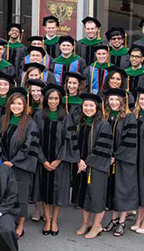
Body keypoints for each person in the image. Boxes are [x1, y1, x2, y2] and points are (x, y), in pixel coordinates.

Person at [33, 85, 76, 236]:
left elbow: (68, 139)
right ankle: (47, 220)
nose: (53, 101)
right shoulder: (39, 115)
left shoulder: (66, 116)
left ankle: (55, 220)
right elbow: (34, 138)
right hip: (43, 160)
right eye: (50, 98)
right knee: (45, 190)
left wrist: (58, 160)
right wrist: (43, 160)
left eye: (56, 98)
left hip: (59, 162)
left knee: (57, 191)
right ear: (46, 99)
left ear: (60, 100)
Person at [71, 93, 115, 238]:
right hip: (81, 165)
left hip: (97, 166)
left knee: (97, 197)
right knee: (83, 195)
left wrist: (86, 163)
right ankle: (86, 222)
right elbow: (74, 143)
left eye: (91, 106)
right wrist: (78, 160)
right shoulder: (79, 122)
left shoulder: (104, 124)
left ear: (97, 108)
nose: (88, 108)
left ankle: (97, 226)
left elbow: (103, 148)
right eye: (85, 105)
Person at [0, 89, 40, 238]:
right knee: (6, 194)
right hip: (4, 164)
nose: (16, 106)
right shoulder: (4, 120)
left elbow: (30, 146)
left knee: (21, 196)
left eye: (19, 103)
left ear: (24, 105)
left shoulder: (30, 123)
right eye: (13, 103)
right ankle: (8, 221)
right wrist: (3, 160)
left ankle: (20, 225)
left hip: (22, 166)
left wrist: (13, 162)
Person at [104, 88, 137, 236]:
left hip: (124, 160)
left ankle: (122, 221)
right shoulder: (107, 115)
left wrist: (115, 156)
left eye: (117, 100)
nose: (114, 102)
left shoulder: (129, 118)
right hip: (110, 159)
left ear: (123, 101)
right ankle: (114, 219)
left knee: (122, 190)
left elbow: (129, 141)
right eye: (111, 99)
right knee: (112, 190)